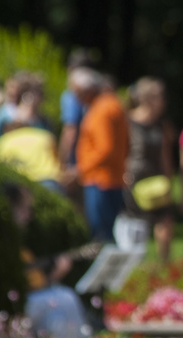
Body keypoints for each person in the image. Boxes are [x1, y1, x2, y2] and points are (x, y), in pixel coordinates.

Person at [5, 183, 90, 338]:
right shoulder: (3, 243)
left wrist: (55, 275)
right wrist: (55, 276)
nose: (29, 215)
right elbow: (23, 288)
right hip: (12, 307)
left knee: (56, 317)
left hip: (27, 303)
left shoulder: (18, 244)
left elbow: (35, 284)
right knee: (66, 297)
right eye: (25, 208)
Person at [124, 76, 178, 264]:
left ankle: (164, 265)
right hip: (133, 180)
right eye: (159, 97)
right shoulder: (128, 121)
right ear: (147, 98)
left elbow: (166, 156)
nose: (163, 101)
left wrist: (168, 181)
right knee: (139, 227)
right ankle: (139, 267)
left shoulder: (162, 125)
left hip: (156, 181)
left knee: (166, 222)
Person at [74, 69, 129, 243]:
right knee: (107, 233)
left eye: (77, 92)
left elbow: (105, 149)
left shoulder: (102, 110)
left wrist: (81, 169)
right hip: (110, 178)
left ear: (89, 90)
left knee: (102, 236)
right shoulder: (111, 104)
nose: (75, 98)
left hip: (100, 179)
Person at [0, 89, 65, 196]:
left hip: (26, 185)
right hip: (51, 183)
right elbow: (60, 162)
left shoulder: (5, 140)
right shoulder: (46, 136)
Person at [58, 50, 98, 170]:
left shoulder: (71, 96)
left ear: (70, 70)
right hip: (96, 157)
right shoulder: (101, 96)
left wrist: (62, 161)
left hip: (78, 158)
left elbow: (70, 131)